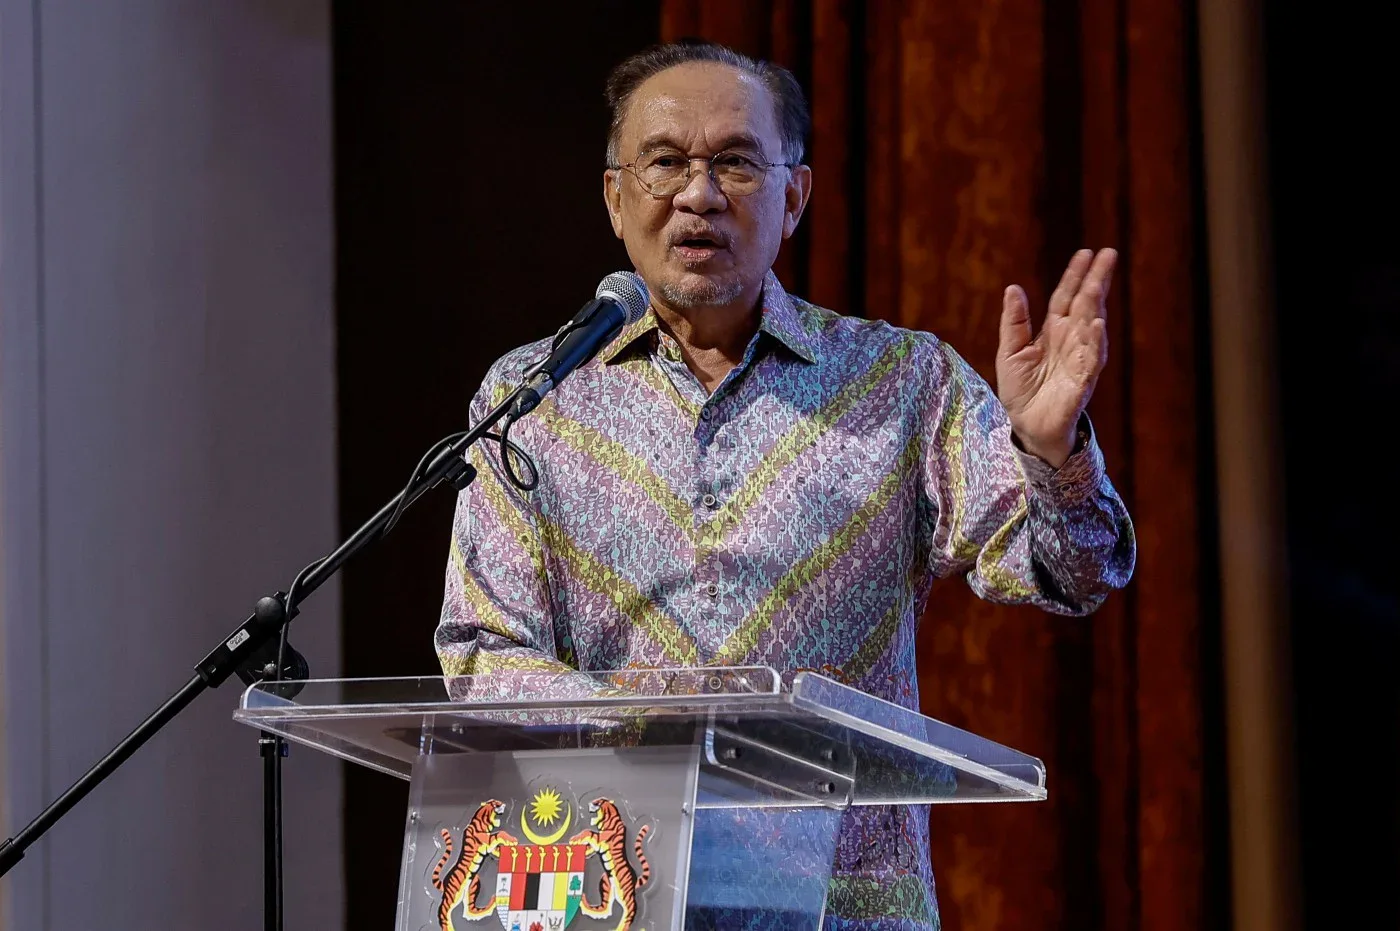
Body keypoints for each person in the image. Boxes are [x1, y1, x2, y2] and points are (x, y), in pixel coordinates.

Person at [437, 41, 1134, 931]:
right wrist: (656, 730)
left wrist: (1050, 449)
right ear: (615, 198)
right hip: (611, 894)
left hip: (846, 906)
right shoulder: (532, 398)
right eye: (664, 163)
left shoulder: (900, 382)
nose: (698, 195)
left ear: (794, 197)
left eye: (735, 162)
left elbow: (1074, 571)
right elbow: (482, 656)